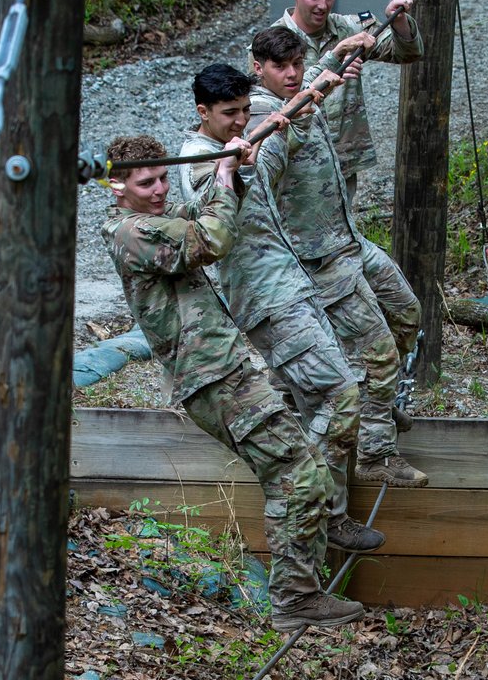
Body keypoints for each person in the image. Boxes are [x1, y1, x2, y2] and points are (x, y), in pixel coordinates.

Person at [100, 134, 362, 633]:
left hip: (226, 370)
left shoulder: (156, 218)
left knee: (299, 469)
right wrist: (221, 173)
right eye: (145, 182)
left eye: (160, 178)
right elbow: (211, 240)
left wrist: (235, 171)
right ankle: (295, 598)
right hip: (212, 379)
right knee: (296, 474)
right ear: (117, 188)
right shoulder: (132, 233)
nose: (158, 190)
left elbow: (204, 214)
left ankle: (304, 576)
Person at [177, 63, 384, 554]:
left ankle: (325, 514)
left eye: (247, 111)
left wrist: (296, 116)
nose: (241, 121)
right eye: (230, 113)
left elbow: (268, 169)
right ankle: (310, 501)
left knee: (318, 399)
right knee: (341, 395)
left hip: (293, 286)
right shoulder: (196, 159)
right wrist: (230, 167)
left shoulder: (240, 144)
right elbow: (212, 225)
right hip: (267, 300)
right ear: (202, 112)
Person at [248, 27, 427, 489]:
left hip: (347, 240)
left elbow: (310, 78)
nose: (291, 75)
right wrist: (304, 104)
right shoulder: (261, 114)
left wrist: (336, 53)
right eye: (279, 67)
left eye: (295, 65)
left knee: (407, 313)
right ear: (257, 68)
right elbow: (265, 149)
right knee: (378, 355)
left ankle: (378, 410)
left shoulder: (301, 88)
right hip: (317, 259)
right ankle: (376, 453)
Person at [272, 0, 425, 402]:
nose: (321, 6)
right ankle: (302, 371)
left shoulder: (346, 26)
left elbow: (407, 53)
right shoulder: (276, 43)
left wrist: (397, 18)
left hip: (341, 163)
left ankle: (356, 369)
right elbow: (270, 105)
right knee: (305, 269)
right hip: (296, 171)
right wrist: (331, 64)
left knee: (342, 261)